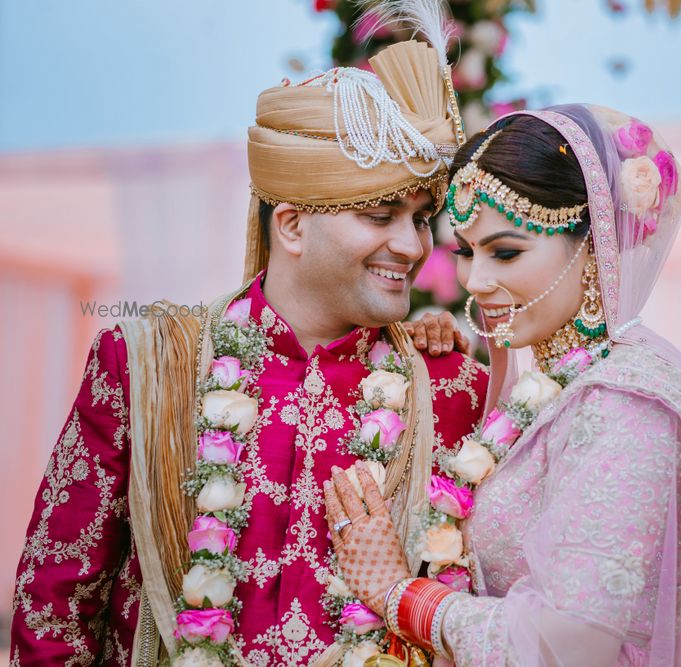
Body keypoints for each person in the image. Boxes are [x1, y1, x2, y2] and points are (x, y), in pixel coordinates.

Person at [9, 7, 489, 664]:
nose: (412, 245)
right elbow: (54, 602)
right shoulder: (147, 364)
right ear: (291, 225)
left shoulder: (454, 385)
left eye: (421, 216)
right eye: (381, 213)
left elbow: (485, 610)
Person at [323, 105, 681, 665]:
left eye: (506, 252)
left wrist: (399, 594)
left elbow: (571, 645)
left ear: (592, 245)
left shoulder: (628, 403)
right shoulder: (568, 380)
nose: (477, 281)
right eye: (466, 250)